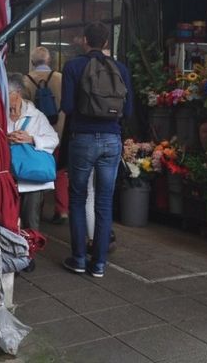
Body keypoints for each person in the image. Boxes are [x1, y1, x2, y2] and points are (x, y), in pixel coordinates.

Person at [60, 22, 133, 278]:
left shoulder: (73, 66)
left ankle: (79, 258)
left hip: (82, 138)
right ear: (106, 43)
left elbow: (67, 106)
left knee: (78, 199)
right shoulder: (121, 69)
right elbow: (130, 110)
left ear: (84, 40)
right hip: (112, 139)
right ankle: (99, 263)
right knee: (104, 201)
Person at [7, 73, 59, 233]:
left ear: (17, 94)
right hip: (8, 176)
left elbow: (53, 139)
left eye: (6, 93)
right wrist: (5, 139)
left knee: (31, 221)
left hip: (32, 179)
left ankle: (29, 255)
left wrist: (31, 139)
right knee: (8, 219)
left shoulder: (36, 116)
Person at [22, 47, 67, 225]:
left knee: (37, 169)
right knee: (61, 170)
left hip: (35, 132)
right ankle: (62, 209)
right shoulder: (60, 78)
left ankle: (36, 209)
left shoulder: (26, 80)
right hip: (59, 131)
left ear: (33, 62)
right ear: (49, 61)